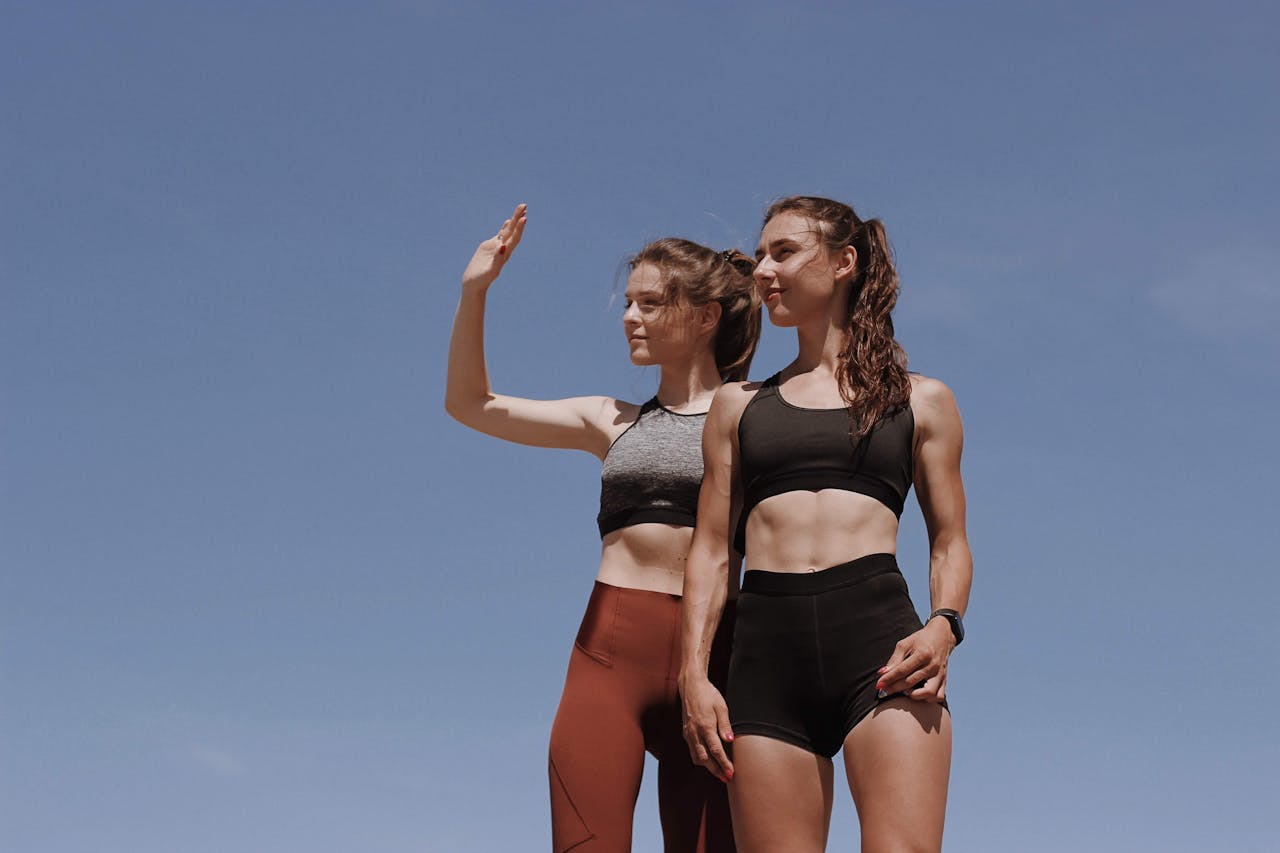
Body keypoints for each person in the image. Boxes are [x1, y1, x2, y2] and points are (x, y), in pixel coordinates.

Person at [445, 204, 761, 852]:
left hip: (720, 660)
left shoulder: (757, 416)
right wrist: (475, 290)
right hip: (609, 657)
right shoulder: (607, 419)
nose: (629, 316)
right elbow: (470, 403)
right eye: (629, 302)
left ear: (705, 317)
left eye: (650, 303)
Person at [677, 196, 972, 852]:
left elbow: (949, 539)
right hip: (764, 662)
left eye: (782, 252)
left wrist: (944, 625)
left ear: (844, 263)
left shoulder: (920, 400)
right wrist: (693, 672)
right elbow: (712, 551)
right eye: (760, 255)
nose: (761, 270)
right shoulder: (736, 405)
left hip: (882, 652)